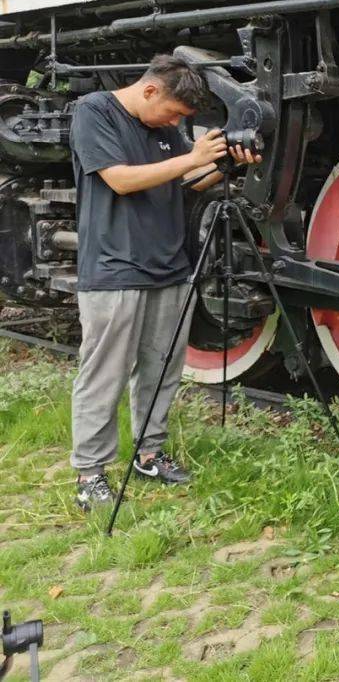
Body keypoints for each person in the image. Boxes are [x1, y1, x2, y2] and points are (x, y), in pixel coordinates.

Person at [69, 54, 260, 511]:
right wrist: (191, 157)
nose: (176, 122)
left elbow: (184, 180)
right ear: (150, 90)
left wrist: (225, 164)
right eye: (173, 113)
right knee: (104, 373)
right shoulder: (94, 111)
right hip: (115, 269)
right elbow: (119, 180)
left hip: (171, 266)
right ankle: (90, 473)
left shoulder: (164, 127)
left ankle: (149, 454)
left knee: (161, 369)